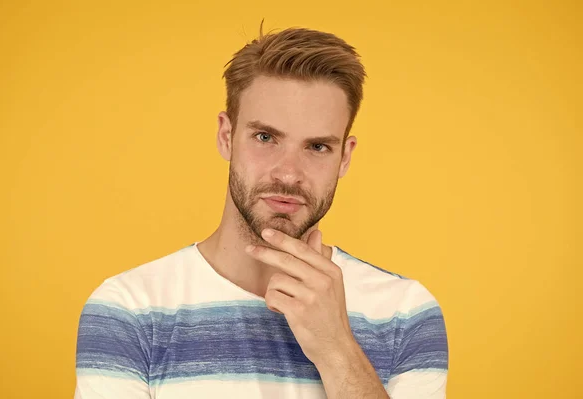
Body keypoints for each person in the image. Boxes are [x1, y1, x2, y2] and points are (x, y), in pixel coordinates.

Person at [75, 24, 449, 399]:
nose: (288, 173)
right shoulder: (129, 309)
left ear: (344, 157)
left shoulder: (406, 313)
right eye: (265, 138)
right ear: (226, 136)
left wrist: (337, 351)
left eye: (317, 147)